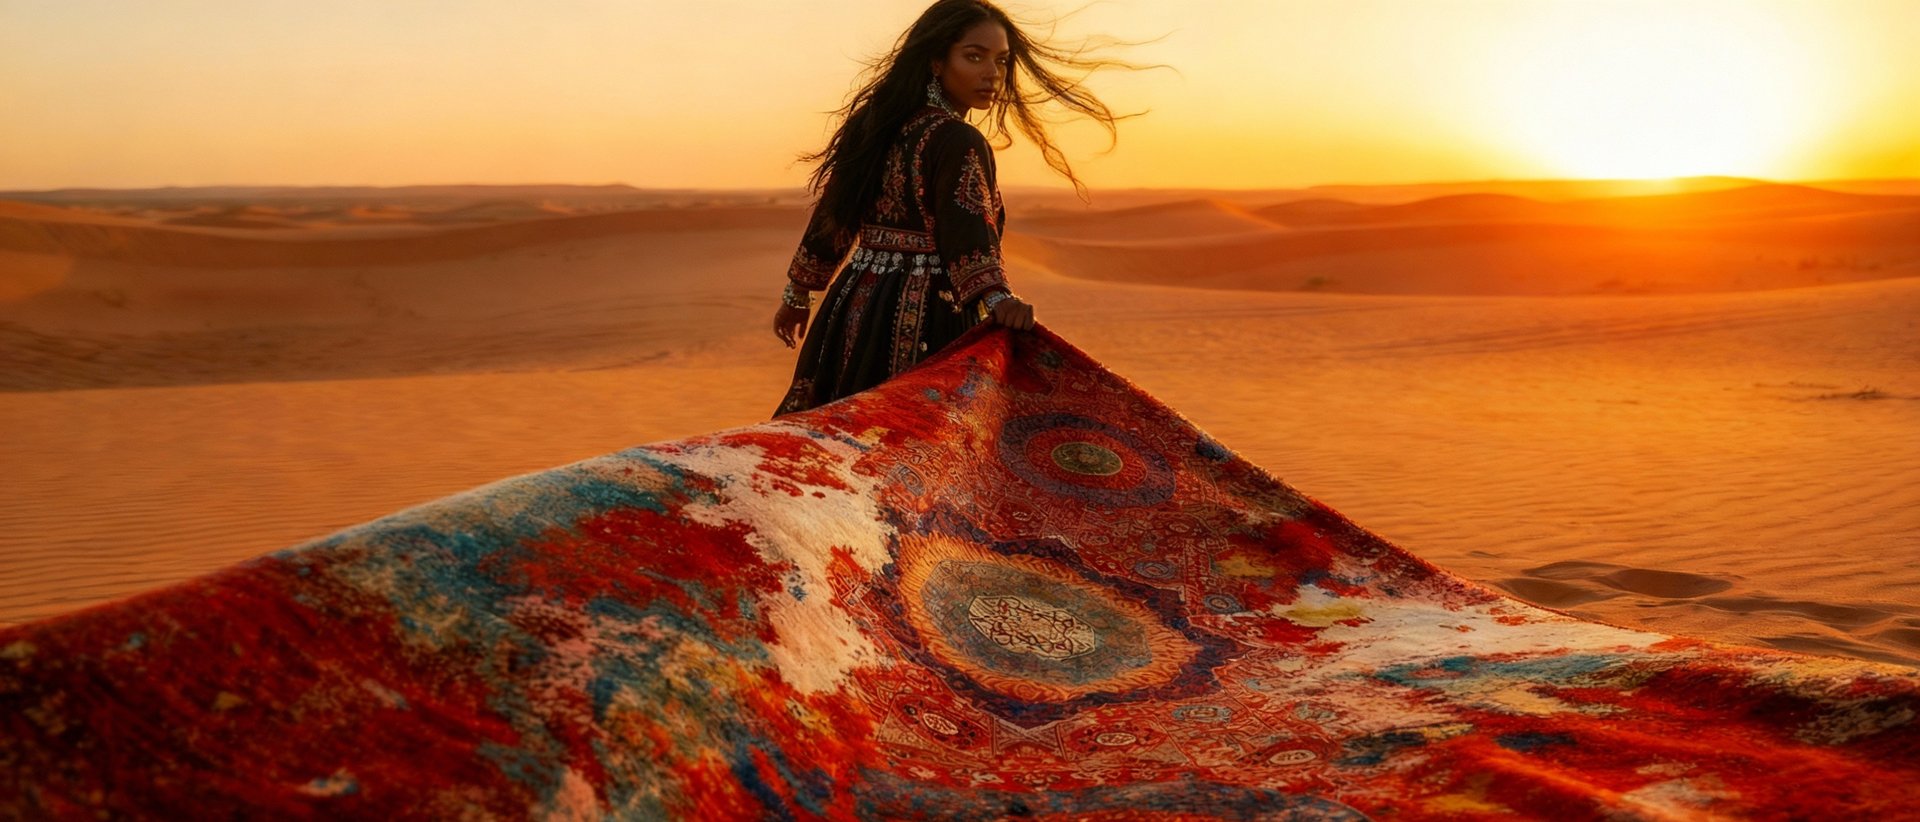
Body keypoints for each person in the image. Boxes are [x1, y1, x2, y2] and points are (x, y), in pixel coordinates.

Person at [772, 0, 1128, 416]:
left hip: (853, 304)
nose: (992, 74)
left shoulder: (876, 126)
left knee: (837, 432)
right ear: (937, 61)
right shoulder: (957, 138)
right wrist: (996, 297)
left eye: (1001, 60)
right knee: (916, 437)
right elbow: (966, 229)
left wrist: (798, 292)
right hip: (928, 312)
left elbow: (834, 217)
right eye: (974, 56)